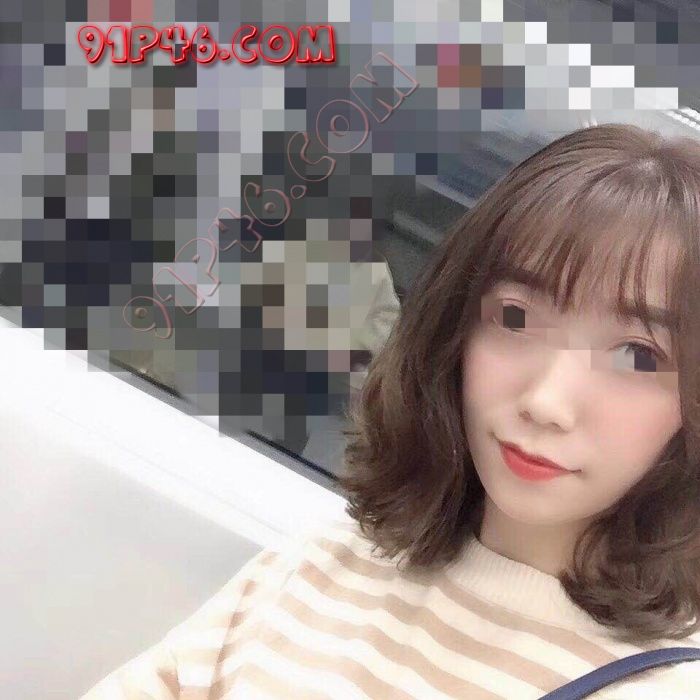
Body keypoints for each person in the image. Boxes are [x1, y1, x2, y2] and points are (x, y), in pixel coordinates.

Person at [80, 123, 700, 699]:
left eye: (638, 355)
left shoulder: (663, 685)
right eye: (515, 317)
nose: (545, 401)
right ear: (454, 327)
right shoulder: (326, 563)